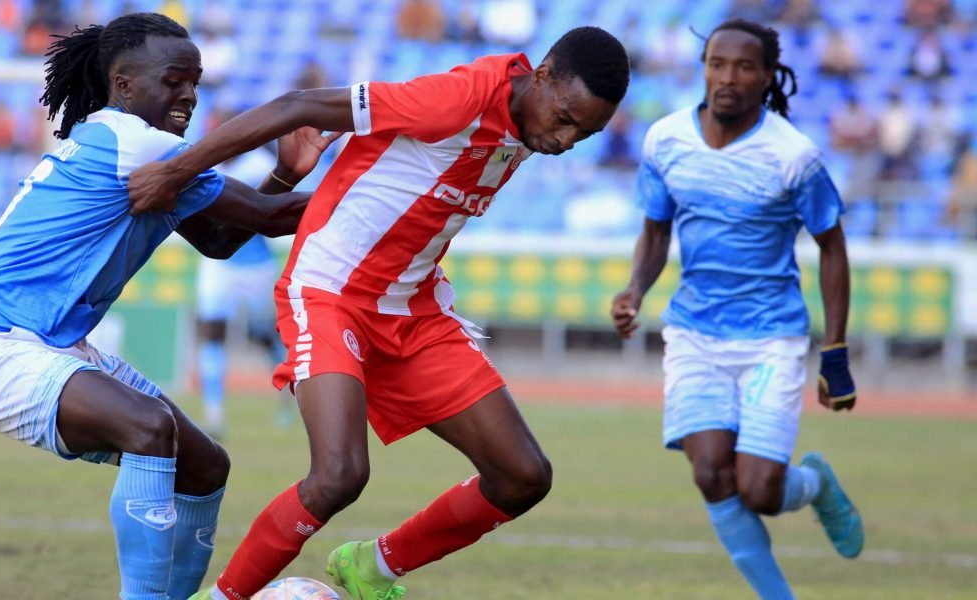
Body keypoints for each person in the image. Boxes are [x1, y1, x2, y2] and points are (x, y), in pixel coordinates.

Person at [129, 26, 630, 600]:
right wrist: (178, 170)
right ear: (541, 75)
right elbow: (298, 106)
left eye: (584, 134)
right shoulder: (461, 97)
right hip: (331, 291)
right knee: (340, 475)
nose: (566, 139)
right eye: (565, 118)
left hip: (413, 308)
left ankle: (372, 569)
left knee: (523, 477)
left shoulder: (529, 119)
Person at [0, 13, 337, 600]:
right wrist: (386, 188)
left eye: (195, 82)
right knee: (148, 429)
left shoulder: (145, 149)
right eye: (174, 80)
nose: (189, 95)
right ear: (124, 86)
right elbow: (273, 218)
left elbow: (221, 240)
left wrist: (282, 173)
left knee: (204, 468)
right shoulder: (135, 142)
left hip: (48, 345)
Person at [609, 19, 864, 600]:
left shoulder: (793, 157)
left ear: (768, 76)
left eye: (744, 67)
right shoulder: (666, 140)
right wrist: (635, 290)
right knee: (709, 474)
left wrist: (836, 352)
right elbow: (655, 231)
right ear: (703, 69)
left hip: (770, 337)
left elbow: (833, 248)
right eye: (717, 64)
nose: (728, 78)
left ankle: (814, 483)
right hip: (694, 333)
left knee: (760, 488)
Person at [194, 143, 294, 439]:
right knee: (211, 331)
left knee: (264, 335)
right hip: (218, 265)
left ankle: (287, 403)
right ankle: (214, 415)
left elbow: (277, 207)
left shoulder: (258, 165)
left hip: (256, 267)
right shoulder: (205, 162)